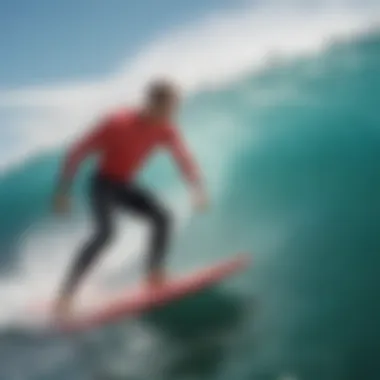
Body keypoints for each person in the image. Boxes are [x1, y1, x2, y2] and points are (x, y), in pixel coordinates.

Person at [52, 79, 208, 321]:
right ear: (152, 104)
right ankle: (65, 296)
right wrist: (63, 191)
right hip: (102, 184)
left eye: (175, 108)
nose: (173, 114)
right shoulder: (117, 123)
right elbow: (77, 151)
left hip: (124, 185)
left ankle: (154, 275)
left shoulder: (166, 128)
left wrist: (197, 189)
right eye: (169, 108)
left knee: (162, 217)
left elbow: (183, 157)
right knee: (106, 234)